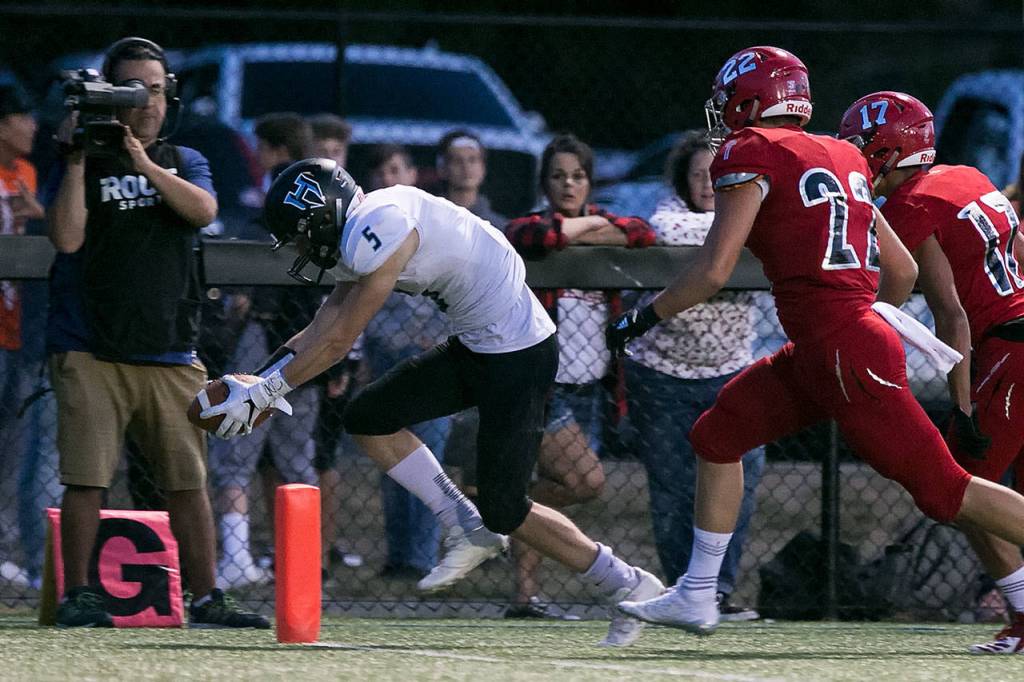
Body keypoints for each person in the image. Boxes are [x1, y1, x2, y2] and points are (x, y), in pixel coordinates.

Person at [609, 46, 1024, 644]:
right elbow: (901, 270)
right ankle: (698, 594)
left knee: (944, 489)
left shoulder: (748, 151)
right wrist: (866, 314)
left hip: (839, 347)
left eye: (732, 100)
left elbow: (713, 270)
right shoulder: (842, 153)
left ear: (752, 99)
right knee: (718, 434)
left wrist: (639, 321)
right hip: (831, 344)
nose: (725, 113)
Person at [200, 157, 665, 646]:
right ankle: (463, 523)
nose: (297, 248)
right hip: (478, 344)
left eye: (297, 234)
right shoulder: (358, 228)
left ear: (321, 214)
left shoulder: (378, 227)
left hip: (519, 353)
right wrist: (259, 382)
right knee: (370, 417)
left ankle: (628, 584)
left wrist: (267, 393)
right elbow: (321, 327)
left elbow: (339, 341)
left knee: (506, 508)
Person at [46, 36, 266, 628]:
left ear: (171, 94)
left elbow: (202, 211)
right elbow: (66, 238)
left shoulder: (184, 158)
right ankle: (80, 595)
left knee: (188, 481)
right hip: (90, 345)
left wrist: (142, 161)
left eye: (157, 89)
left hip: (170, 346)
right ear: (109, 96)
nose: (147, 101)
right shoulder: (81, 158)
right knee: (88, 477)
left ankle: (207, 596)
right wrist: (75, 160)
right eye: (132, 89)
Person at [839, 91, 1024, 653]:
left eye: (860, 144)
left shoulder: (910, 205)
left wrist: (962, 404)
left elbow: (951, 312)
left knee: (956, 490)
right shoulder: (967, 175)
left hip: (1009, 348)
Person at [504, 133, 654, 617]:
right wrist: (582, 227)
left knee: (551, 492)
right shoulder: (530, 227)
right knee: (586, 482)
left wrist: (580, 227)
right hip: (545, 388)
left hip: (591, 389)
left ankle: (524, 596)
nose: (568, 185)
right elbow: (537, 236)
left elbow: (641, 233)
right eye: (558, 177)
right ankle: (500, 507)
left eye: (578, 176)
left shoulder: (601, 222)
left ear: (590, 180)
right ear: (544, 182)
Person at [624, 130, 763, 622]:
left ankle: (717, 591)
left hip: (730, 373)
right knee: (672, 487)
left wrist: (736, 232)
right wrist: (732, 235)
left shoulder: (749, 216)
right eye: (699, 175)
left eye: (719, 177)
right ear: (683, 180)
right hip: (661, 372)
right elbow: (666, 231)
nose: (709, 184)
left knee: (742, 480)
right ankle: (682, 589)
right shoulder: (670, 214)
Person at [210, 111, 321, 588]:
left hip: (264, 330)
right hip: (311, 339)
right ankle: (300, 563)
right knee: (297, 458)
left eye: (262, 149)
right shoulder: (324, 198)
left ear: (276, 150)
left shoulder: (279, 195)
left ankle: (236, 557)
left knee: (237, 444)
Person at [361, 143, 451, 579]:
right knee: (391, 458)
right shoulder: (368, 235)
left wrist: (431, 337)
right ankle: (398, 555)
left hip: (430, 360)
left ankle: (422, 556)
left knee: (427, 453)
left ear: (413, 175)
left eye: (395, 169)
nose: (386, 178)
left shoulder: (430, 222)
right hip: (385, 357)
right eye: (379, 171)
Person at [308, 112, 363, 572]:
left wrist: (341, 364)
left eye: (337, 151)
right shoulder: (304, 209)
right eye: (322, 149)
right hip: (308, 342)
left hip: (337, 349)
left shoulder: (358, 214)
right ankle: (303, 547)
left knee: (323, 455)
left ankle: (322, 550)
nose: (330, 158)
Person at [0, 82, 45, 586]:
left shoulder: (28, 174)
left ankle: (6, 540)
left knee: (14, 442)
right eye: (22, 118)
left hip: (19, 327)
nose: (31, 127)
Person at [436, 129, 506, 227]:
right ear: (442, 169)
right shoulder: (430, 220)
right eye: (457, 161)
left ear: (483, 168)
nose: (466, 167)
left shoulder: (499, 227)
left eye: (472, 160)